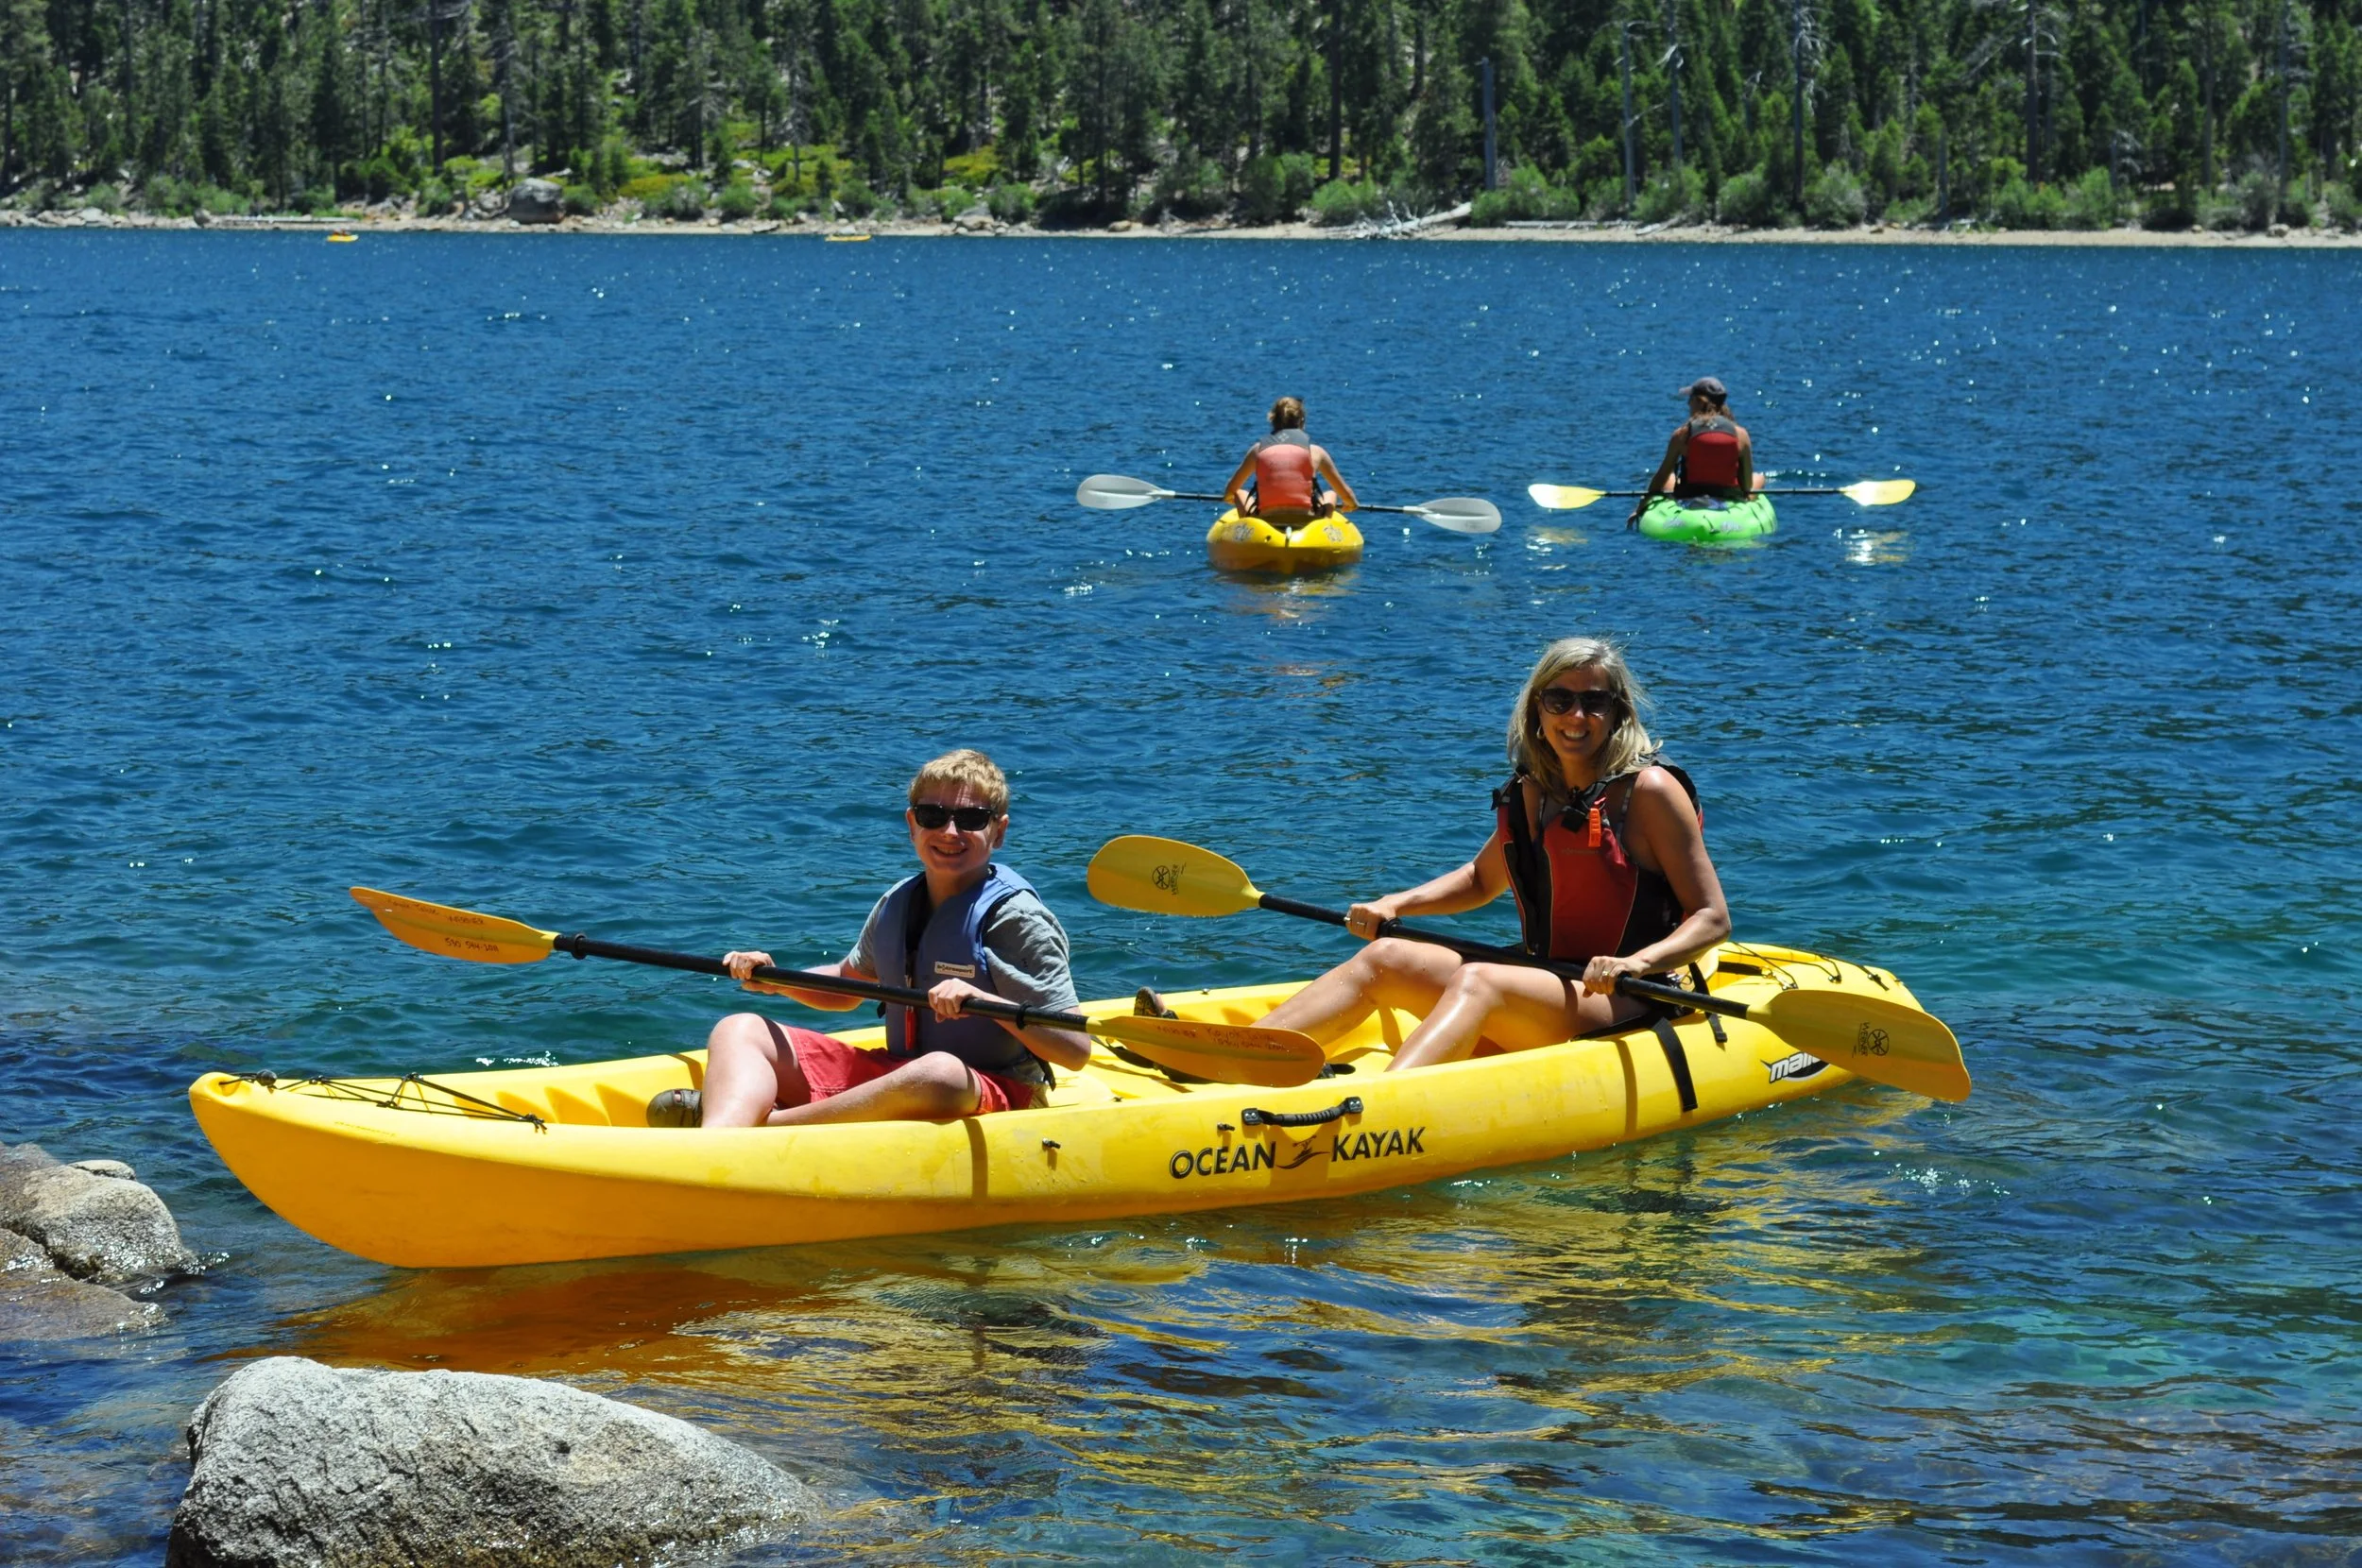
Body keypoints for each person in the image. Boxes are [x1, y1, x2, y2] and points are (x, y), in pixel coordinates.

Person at [1250, 638, 1730, 1073]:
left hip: (1626, 996)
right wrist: (1396, 904)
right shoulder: (1534, 791)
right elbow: (1481, 881)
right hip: (1547, 980)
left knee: (1482, 979)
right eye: (1560, 700)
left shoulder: (1650, 792)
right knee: (1387, 955)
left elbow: (1712, 918)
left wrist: (1639, 963)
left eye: (1594, 702)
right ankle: (1247, 1056)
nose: (1576, 717)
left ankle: (1385, 1104)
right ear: (1537, 709)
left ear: (1618, 712)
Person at [650, 749, 1093, 1128]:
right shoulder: (899, 902)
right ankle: (719, 1136)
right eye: (932, 816)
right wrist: (776, 979)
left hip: (994, 1092)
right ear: (912, 824)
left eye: (971, 818)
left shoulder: (1016, 919)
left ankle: (766, 1127)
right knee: (739, 1027)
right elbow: (847, 985)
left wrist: (984, 1000)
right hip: (899, 1073)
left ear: (998, 831)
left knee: (938, 1073)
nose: (949, 832)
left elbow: (1074, 1050)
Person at [1628, 376, 1756, 529]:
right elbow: (1747, 484)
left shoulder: (1682, 434)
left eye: (1691, 398)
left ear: (1700, 402)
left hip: (1690, 496)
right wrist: (1748, 498)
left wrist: (1640, 506)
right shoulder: (1741, 434)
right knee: (1758, 478)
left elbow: (1661, 477)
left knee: (1669, 477)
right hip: (1729, 496)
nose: (1688, 403)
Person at [1222, 396, 1360, 526]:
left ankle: (1248, 531)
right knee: (1331, 494)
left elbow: (1230, 490)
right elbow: (1347, 495)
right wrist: (1351, 504)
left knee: (1239, 493)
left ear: (1272, 420)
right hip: (1306, 519)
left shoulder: (1257, 450)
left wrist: (1229, 498)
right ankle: (1323, 526)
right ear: (1302, 422)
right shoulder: (1316, 452)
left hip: (1266, 521)